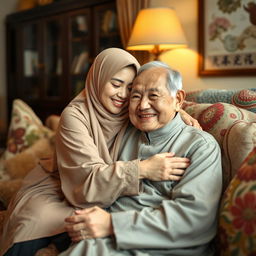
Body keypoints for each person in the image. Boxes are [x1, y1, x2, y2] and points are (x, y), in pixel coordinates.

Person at [0, 49, 196, 256]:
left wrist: (178, 111)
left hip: (106, 191)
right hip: (64, 185)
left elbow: (158, 103)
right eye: (116, 84)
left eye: (131, 88)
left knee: (92, 224)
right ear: (98, 79)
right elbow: (83, 181)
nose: (123, 94)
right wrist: (142, 169)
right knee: (35, 224)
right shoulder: (74, 116)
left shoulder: (133, 111)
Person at [61, 61, 223, 256]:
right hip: (102, 238)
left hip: (158, 247)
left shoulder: (200, 146)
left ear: (178, 99)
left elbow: (193, 219)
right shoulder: (125, 132)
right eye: (136, 96)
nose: (143, 105)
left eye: (154, 95)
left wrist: (112, 224)